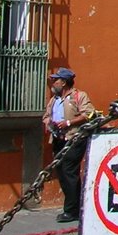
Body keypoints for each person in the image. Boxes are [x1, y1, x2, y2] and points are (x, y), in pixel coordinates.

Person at [41, 67, 95, 224]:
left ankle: (71, 210)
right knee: (62, 172)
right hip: (58, 139)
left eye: (56, 80)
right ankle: (76, 205)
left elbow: (89, 113)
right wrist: (47, 122)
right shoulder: (54, 99)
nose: (53, 82)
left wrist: (69, 122)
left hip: (75, 138)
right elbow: (46, 115)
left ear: (64, 82)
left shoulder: (79, 96)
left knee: (69, 170)